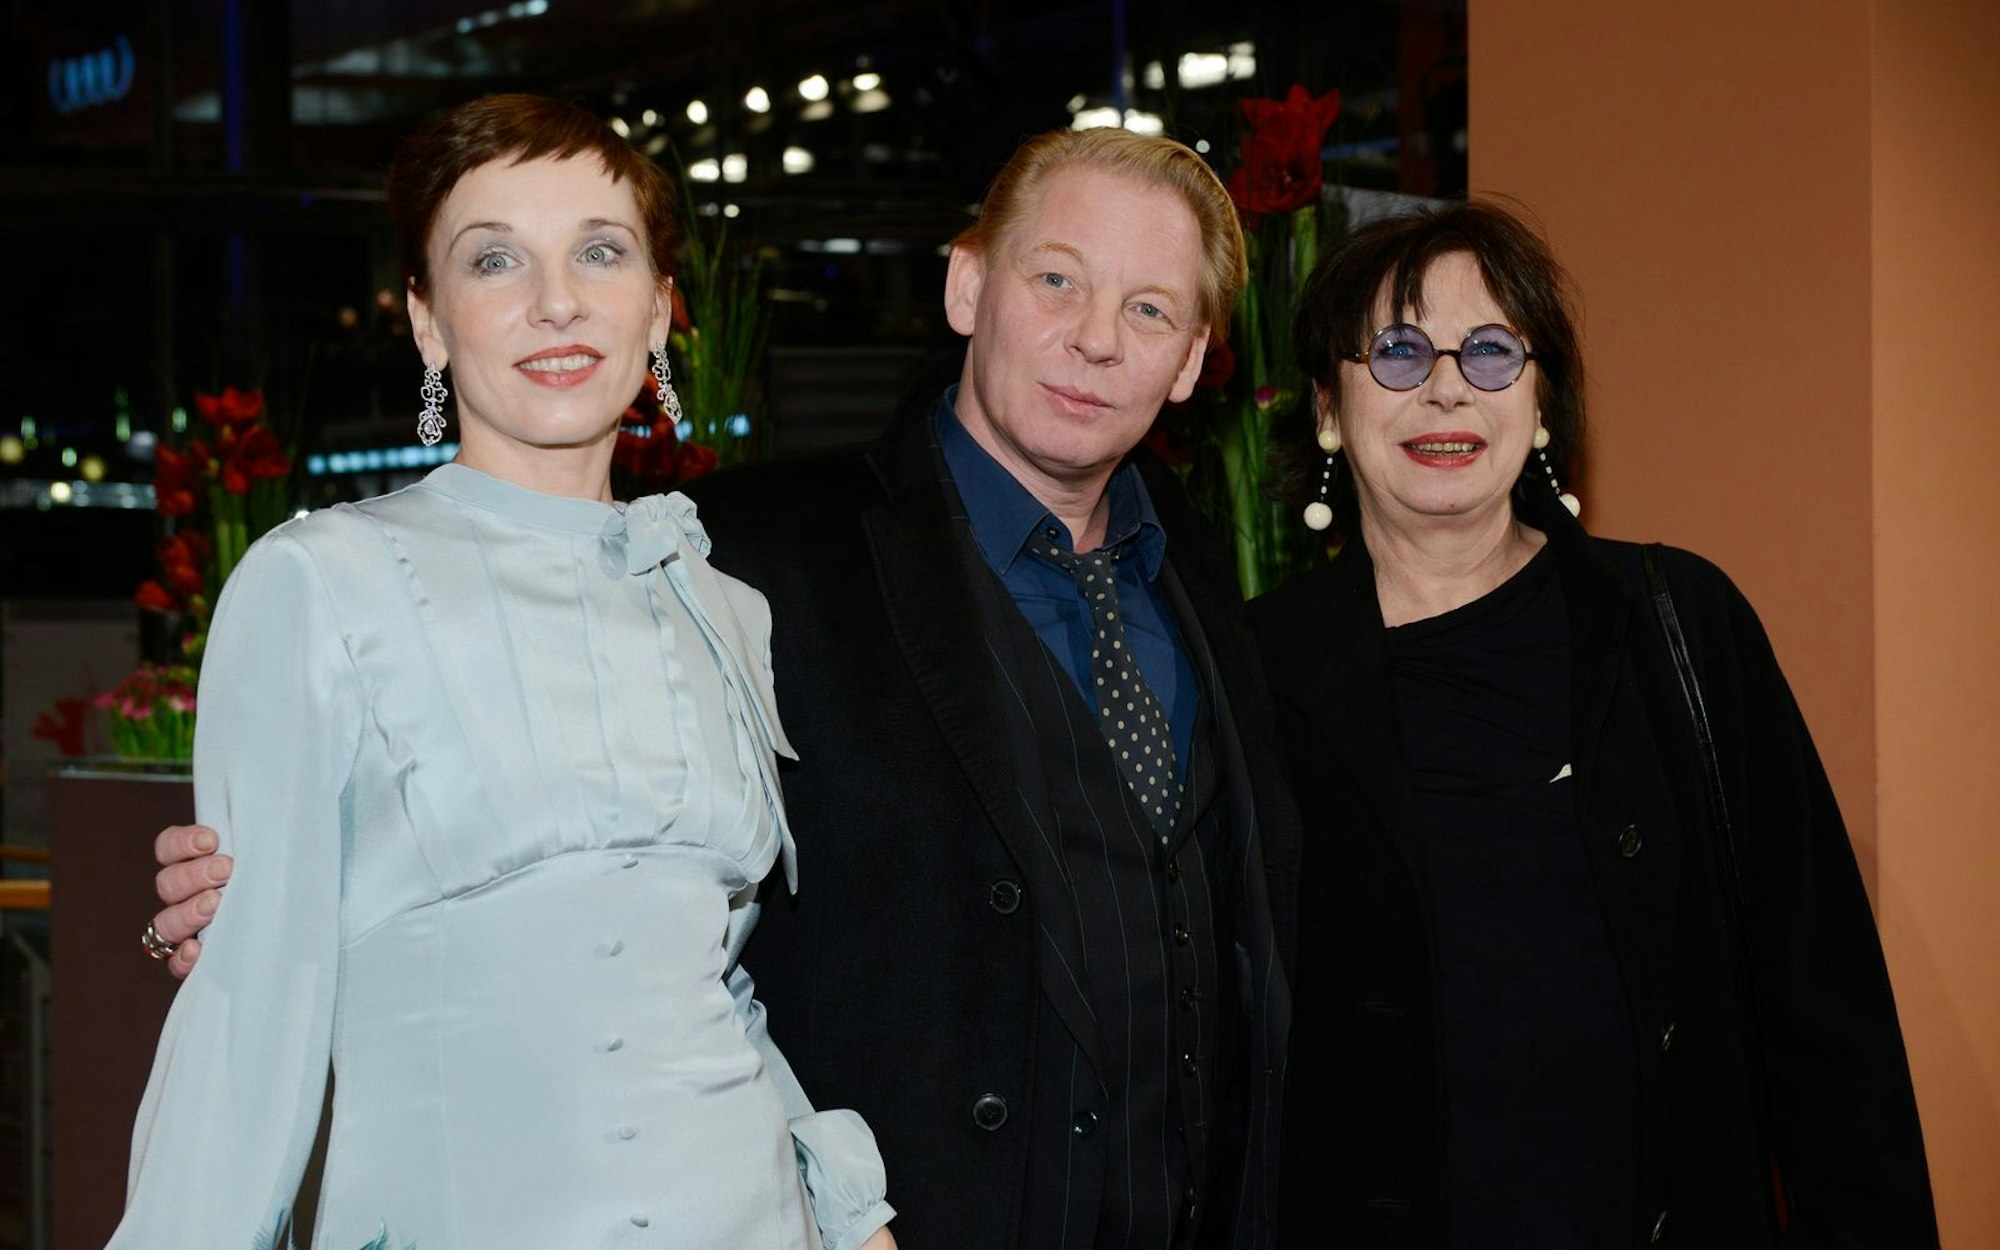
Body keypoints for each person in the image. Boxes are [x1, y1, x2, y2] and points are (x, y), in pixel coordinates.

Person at [150, 125, 1299, 1247]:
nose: (1094, 337)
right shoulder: (757, 553)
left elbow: (700, 960)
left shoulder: (1201, 579)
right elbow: (306, 971)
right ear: (965, 287)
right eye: (1055, 278)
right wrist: (252, 900)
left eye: (1148, 309)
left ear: (1192, 357)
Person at [112, 94, 895, 1250]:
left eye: (599, 250)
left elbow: (709, 981)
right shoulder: (321, 581)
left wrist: (852, 1218)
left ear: (660, 310)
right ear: (427, 322)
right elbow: (246, 1016)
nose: (556, 300)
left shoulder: (725, 606)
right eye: (494, 259)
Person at [1253, 200, 1937, 1247]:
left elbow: (1821, 1003)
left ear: (1538, 406)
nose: (1445, 385)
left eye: (1489, 351)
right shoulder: (1250, 668)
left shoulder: (1676, 621)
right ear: (1328, 410)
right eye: (1395, 351)